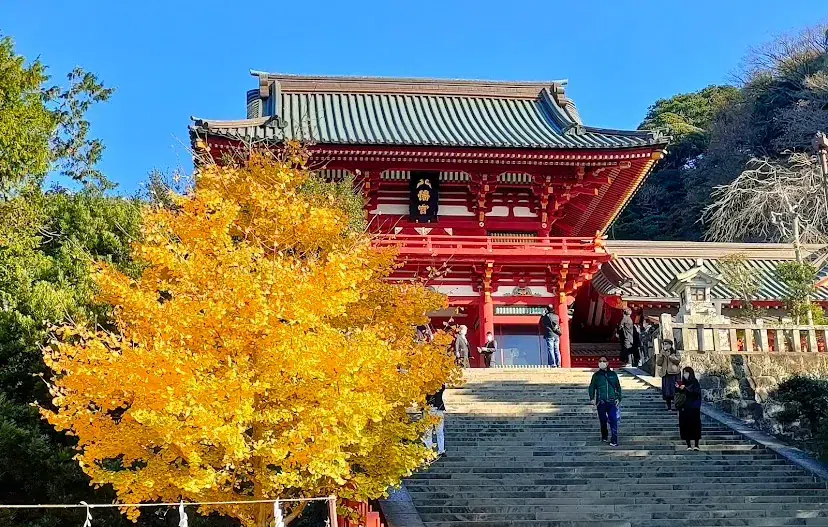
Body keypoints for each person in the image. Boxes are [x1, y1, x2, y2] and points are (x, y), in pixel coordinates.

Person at [588, 356, 623, 447]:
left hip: (611, 401)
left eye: (604, 361)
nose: (602, 362)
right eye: (600, 361)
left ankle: (614, 439)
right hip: (601, 402)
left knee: (613, 420)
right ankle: (604, 435)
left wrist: (619, 398)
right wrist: (592, 398)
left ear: (607, 363)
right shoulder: (596, 376)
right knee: (603, 420)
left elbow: (618, 387)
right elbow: (592, 387)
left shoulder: (613, 374)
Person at [676, 366, 702, 451]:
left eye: (686, 373)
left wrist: (685, 389)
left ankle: (696, 445)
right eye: (684, 373)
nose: (685, 374)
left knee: (695, 425)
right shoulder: (682, 383)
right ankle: (688, 445)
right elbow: (678, 395)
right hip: (684, 407)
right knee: (685, 426)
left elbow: (696, 393)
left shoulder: (695, 382)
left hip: (694, 407)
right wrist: (678, 388)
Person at [656, 339, 682, 410]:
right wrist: (661, 355)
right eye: (664, 344)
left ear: (670, 345)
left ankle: (677, 405)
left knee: (676, 390)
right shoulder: (662, 353)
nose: (665, 346)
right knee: (667, 391)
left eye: (667, 344)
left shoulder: (675, 352)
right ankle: (669, 406)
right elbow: (658, 363)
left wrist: (670, 357)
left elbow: (678, 360)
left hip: (674, 373)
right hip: (666, 374)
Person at [424, 385, 447, 457]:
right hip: (430, 409)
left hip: (435, 409)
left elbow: (442, 387)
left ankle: (438, 450)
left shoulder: (438, 384)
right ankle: (432, 450)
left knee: (436, 431)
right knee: (430, 431)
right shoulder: (424, 384)